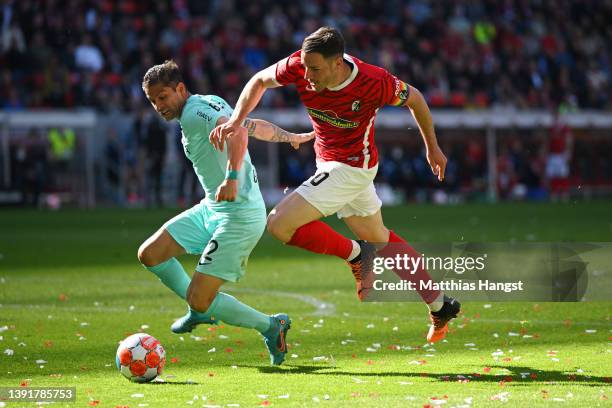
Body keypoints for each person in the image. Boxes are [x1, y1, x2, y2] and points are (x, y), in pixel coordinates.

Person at [211, 27, 461, 343]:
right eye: (304, 66)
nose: (307, 75)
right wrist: (236, 119)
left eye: (315, 68)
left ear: (337, 63)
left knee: (278, 224)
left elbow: (417, 99)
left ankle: (356, 255)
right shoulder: (300, 66)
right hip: (334, 164)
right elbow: (259, 81)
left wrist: (432, 147)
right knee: (382, 240)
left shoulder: (373, 81)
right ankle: (440, 305)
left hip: (351, 168)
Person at [138, 60, 313, 365]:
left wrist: (232, 177)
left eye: (163, 97)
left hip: (240, 216)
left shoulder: (194, 113)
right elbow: (248, 125)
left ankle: (272, 326)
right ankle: (199, 309)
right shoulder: (207, 104)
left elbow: (238, 136)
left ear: (180, 88)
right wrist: (289, 137)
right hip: (213, 207)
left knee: (199, 296)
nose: (158, 106)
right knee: (150, 254)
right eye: (153, 101)